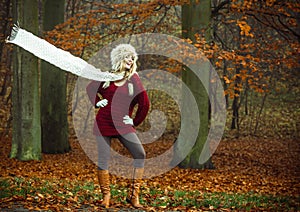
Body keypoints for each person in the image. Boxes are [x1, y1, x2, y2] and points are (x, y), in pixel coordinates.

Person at [86, 44, 150, 208]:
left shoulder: (133, 78)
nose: (131, 60)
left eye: (132, 58)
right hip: (103, 123)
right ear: (120, 58)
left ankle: (133, 196)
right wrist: (97, 102)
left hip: (123, 125)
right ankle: (106, 196)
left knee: (139, 153)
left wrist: (134, 121)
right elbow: (90, 88)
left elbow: (144, 102)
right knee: (103, 159)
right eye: (128, 57)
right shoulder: (107, 77)